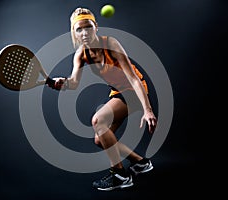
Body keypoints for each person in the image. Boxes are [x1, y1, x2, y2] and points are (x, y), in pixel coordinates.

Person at [47, 7, 157, 191]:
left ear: (96, 27)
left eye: (88, 27)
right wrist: (62, 83)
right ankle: (141, 163)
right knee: (101, 139)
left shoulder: (111, 44)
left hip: (134, 90)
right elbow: (73, 83)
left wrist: (148, 109)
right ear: (73, 33)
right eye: (79, 30)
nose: (84, 33)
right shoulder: (81, 55)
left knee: (98, 120)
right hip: (117, 92)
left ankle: (120, 174)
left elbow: (133, 78)